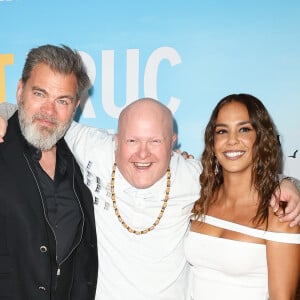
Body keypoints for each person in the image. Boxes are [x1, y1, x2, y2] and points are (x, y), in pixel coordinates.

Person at [0, 98, 300, 299]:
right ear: (116, 141)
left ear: (172, 144)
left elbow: (244, 177)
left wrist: (288, 182)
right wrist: (2, 112)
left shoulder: (194, 176)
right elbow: (45, 112)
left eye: (155, 141)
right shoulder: (94, 146)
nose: (142, 154)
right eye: (132, 141)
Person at [0, 45, 98, 299]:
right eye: (40, 94)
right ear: (20, 91)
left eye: (62, 100)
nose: (49, 111)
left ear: (75, 106)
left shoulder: (78, 162)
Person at [184, 94, 300, 299]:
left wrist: (287, 182)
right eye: (222, 131)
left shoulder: (280, 211)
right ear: (213, 141)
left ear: (261, 137)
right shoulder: (199, 197)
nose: (232, 140)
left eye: (244, 129)